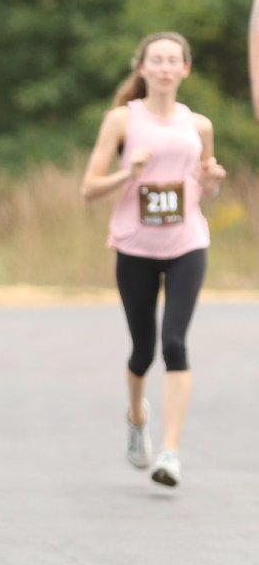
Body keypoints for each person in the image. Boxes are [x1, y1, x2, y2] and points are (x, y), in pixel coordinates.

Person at [81, 32, 225, 488]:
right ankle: (137, 417)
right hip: (135, 246)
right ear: (142, 68)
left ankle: (171, 453)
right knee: (143, 351)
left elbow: (204, 187)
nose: (164, 67)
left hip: (187, 244)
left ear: (186, 69)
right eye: (156, 60)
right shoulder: (122, 120)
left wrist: (213, 180)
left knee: (175, 343)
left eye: (173, 60)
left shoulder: (198, 125)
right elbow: (89, 188)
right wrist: (130, 173)